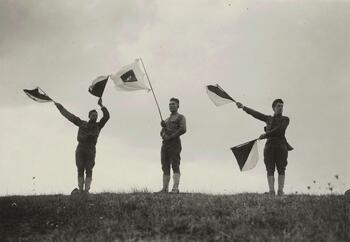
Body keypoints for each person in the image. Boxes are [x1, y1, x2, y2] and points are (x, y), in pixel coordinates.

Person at [236, 99, 293, 195]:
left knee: (281, 168)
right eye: (278, 106)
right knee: (270, 168)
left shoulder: (285, 119)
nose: (281, 108)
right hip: (269, 147)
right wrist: (243, 107)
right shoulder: (269, 119)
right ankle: (271, 191)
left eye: (282, 106)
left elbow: (279, 130)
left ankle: (280, 191)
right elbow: (256, 114)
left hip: (281, 146)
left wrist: (265, 135)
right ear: (274, 108)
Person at [54, 98, 110, 194]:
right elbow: (70, 116)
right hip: (81, 149)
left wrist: (101, 106)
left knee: (89, 170)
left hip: (91, 150)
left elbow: (106, 116)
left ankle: (87, 190)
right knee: (80, 169)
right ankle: (80, 190)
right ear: (89, 116)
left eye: (96, 116)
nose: (95, 117)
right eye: (93, 115)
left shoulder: (98, 125)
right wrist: (60, 107)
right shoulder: (82, 123)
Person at [158, 97, 187, 194]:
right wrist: (164, 134)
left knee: (175, 164)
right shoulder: (166, 120)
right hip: (165, 144)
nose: (171, 106)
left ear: (178, 106)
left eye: (173, 104)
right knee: (165, 166)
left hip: (175, 143)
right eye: (170, 104)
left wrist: (171, 137)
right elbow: (161, 133)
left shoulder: (181, 117)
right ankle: (164, 188)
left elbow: (183, 129)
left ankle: (175, 188)